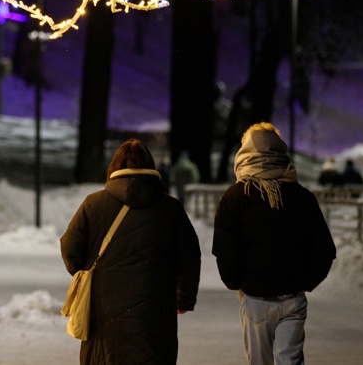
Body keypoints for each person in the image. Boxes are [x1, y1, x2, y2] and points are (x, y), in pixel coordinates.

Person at [61, 139, 201, 364]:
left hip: (103, 310)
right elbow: (190, 258)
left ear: (114, 167)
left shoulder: (93, 204)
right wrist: (183, 299)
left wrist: (87, 276)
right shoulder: (170, 208)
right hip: (156, 311)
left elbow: (70, 249)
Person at [213, 122, 336, 365]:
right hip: (292, 296)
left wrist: (238, 281)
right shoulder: (302, 197)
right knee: (289, 360)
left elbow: (225, 250)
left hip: (255, 298)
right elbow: (324, 250)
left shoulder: (236, 196)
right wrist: (304, 281)